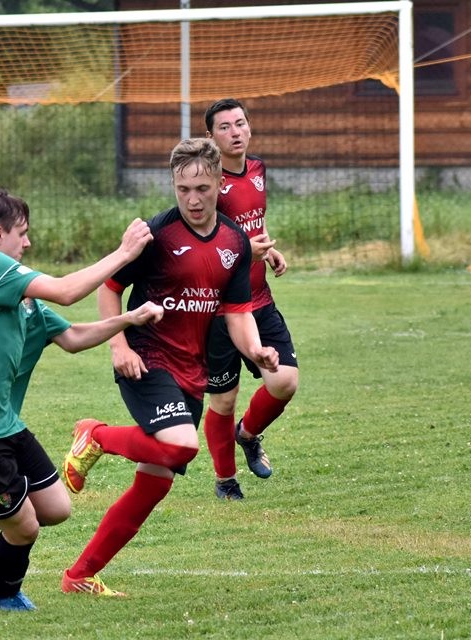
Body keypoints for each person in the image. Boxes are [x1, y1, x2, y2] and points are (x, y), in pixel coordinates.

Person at [60, 138, 279, 597]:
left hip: (191, 371)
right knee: (181, 445)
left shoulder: (235, 242)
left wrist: (256, 350)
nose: (193, 199)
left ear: (219, 183)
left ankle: (78, 576)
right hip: (146, 358)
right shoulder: (156, 235)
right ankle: (95, 435)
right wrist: (118, 345)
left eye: (202, 189)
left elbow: (237, 313)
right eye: (183, 190)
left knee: (154, 484)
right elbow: (109, 288)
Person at [0, 188, 163, 612]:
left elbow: (71, 337)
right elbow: (67, 290)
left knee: (55, 509)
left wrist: (128, 319)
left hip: (4, 425)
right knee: (25, 528)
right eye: (22, 233)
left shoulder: (22, 299)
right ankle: (3, 596)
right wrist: (124, 254)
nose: (28, 242)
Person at [202, 98, 299, 500]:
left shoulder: (257, 168)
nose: (235, 132)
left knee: (285, 381)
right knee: (223, 400)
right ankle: (225, 480)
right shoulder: (206, 182)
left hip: (259, 299)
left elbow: (251, 224)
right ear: (211, 137)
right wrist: (247, 251)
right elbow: (204, 244)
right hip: (220, 310)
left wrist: (268, 249)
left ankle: (248, 433)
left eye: (240, 123)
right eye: (224, 127)